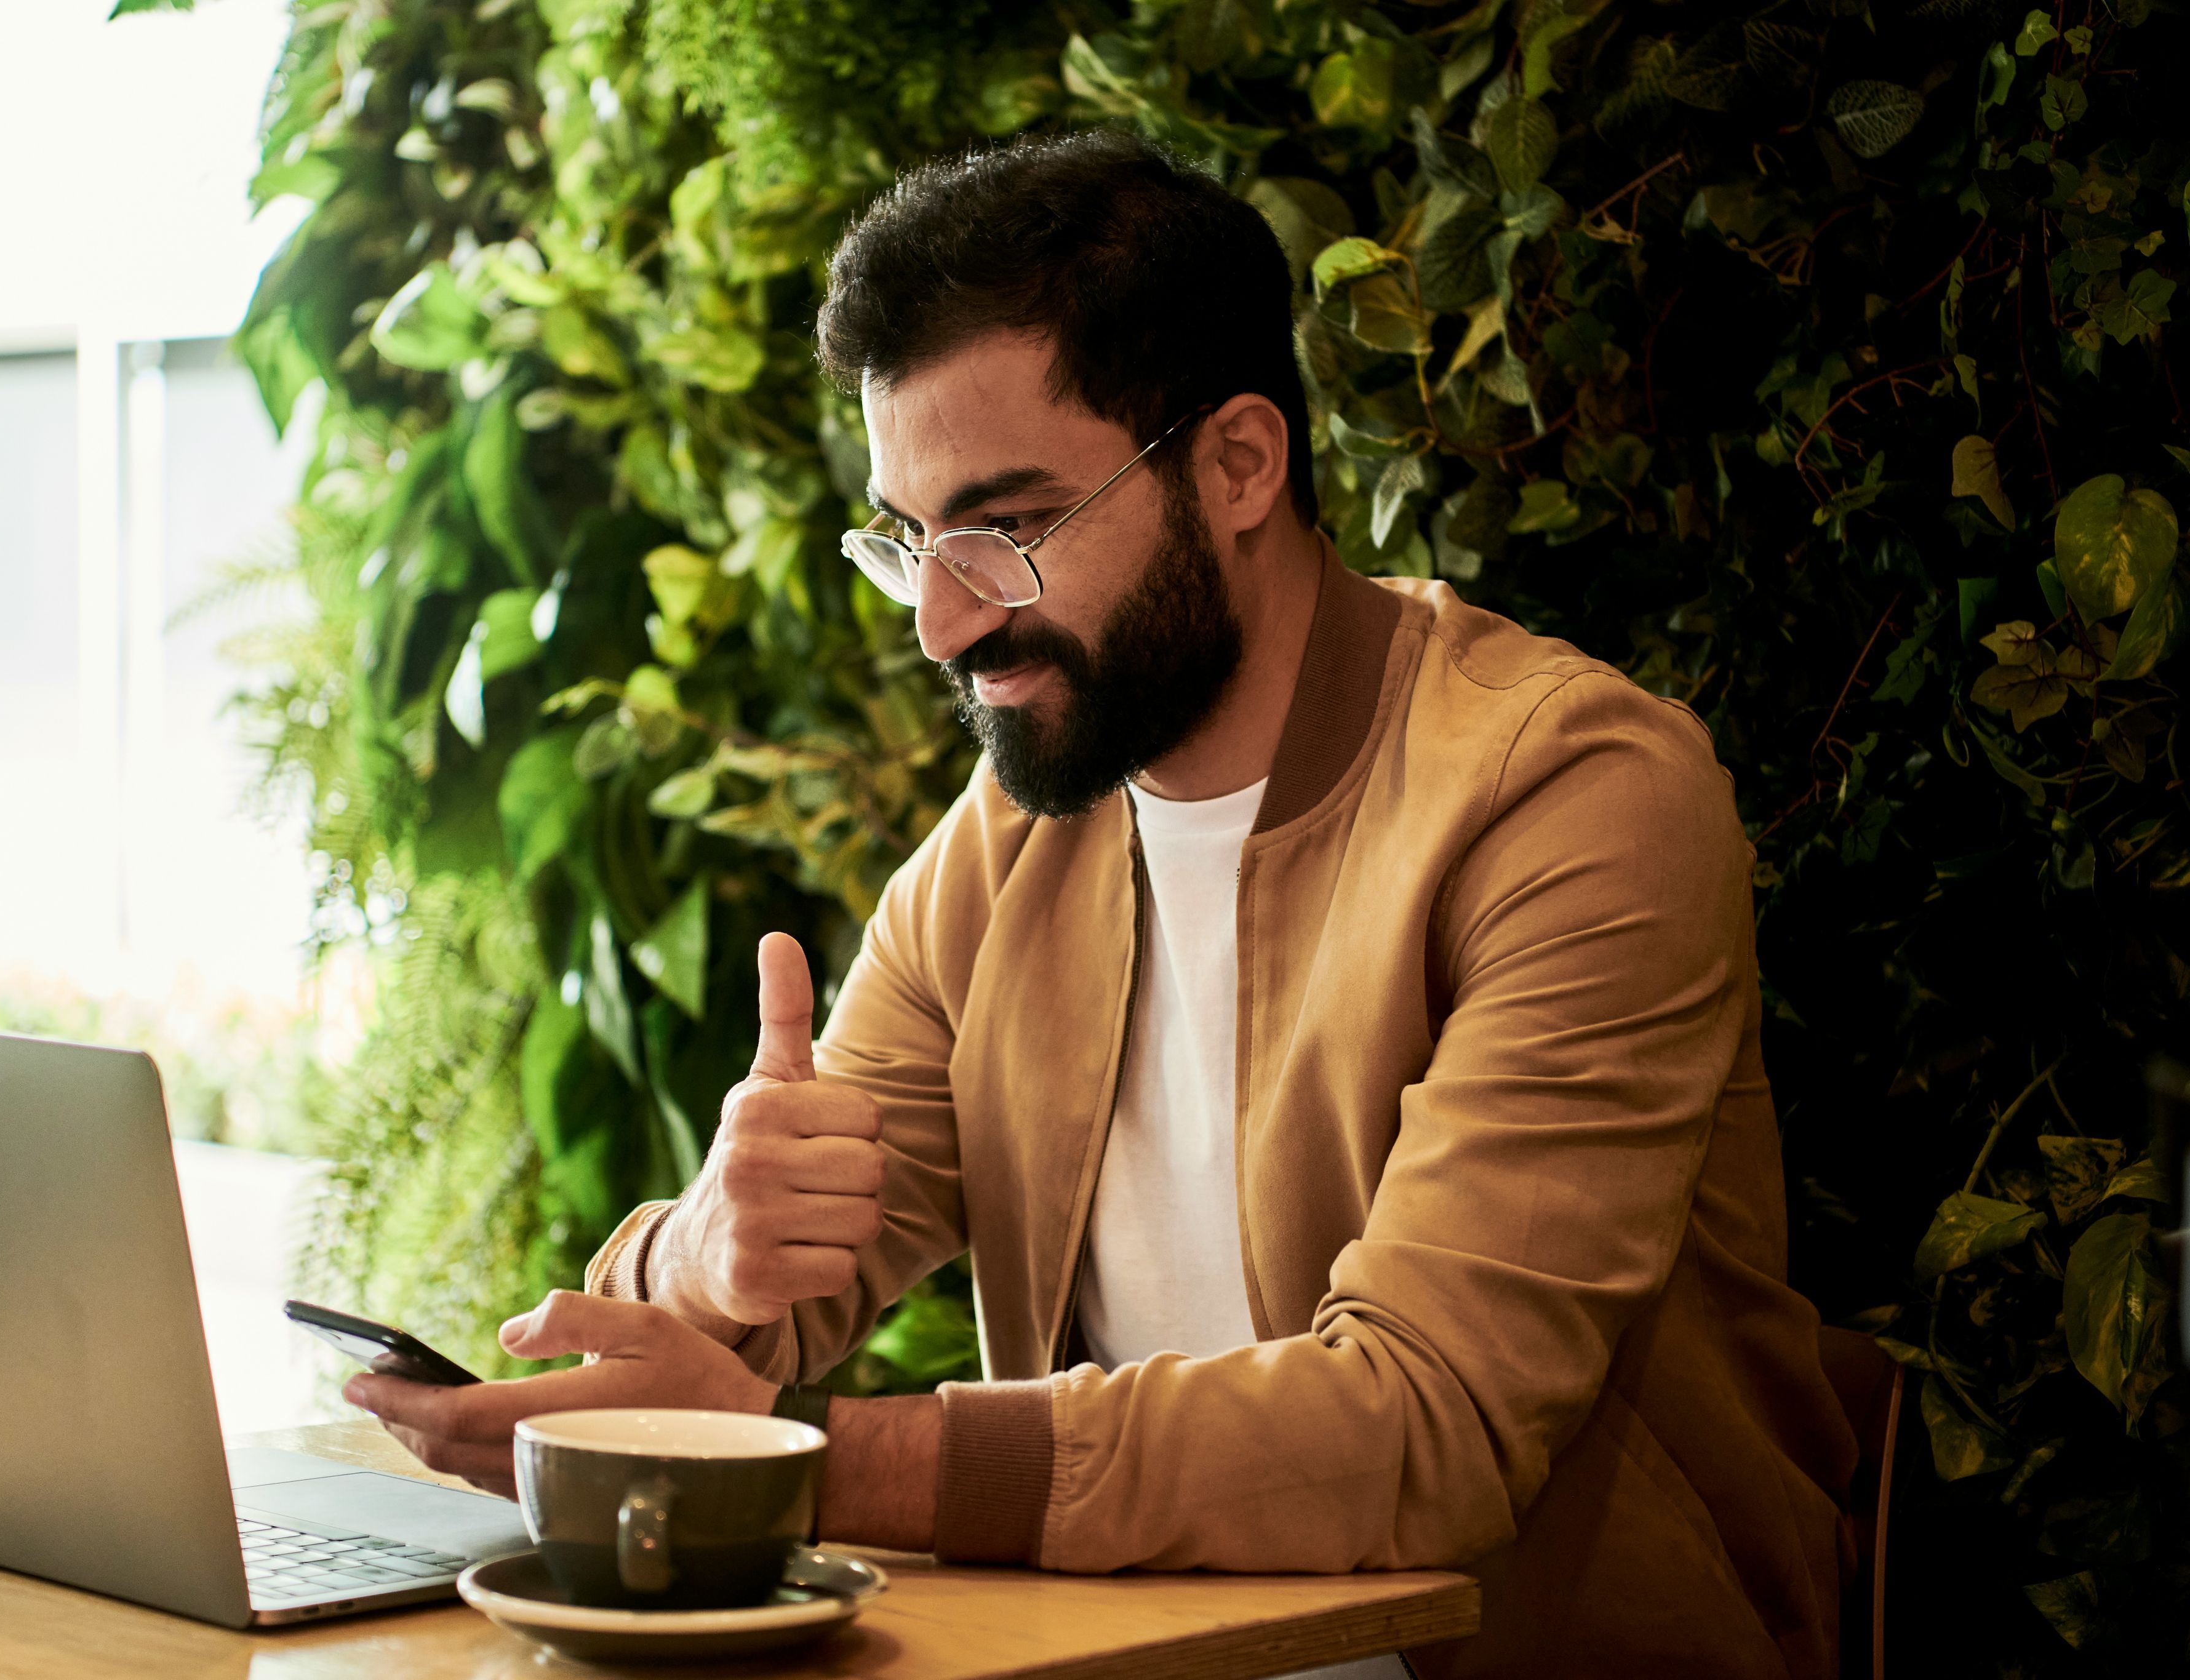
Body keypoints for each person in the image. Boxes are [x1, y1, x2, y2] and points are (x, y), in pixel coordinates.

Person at [344, 130, 1858, 1679]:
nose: (942, 621)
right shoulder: (1013, 843)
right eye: (910, 539)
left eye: (1008, 530)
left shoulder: (1567, 796)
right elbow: (732, 1327)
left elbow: (1426, 1429)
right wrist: (713, 1260)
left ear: (1239, 465)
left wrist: (808, 1457)